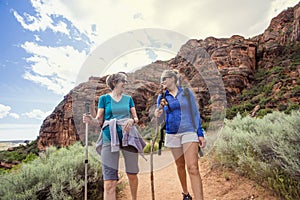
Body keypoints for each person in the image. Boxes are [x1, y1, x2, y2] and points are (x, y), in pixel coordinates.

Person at [83, 72, 145, 200]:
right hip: (108, 138)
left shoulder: (128, 99)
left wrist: (132, 120)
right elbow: (99, 120)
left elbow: (136, 118)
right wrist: (90, 120)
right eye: (123, 81)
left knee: (132, 174)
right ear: (114, 83)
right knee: (109, 182)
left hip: (129, 137)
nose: (125, 84)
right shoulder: (104, 99)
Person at [154, 69, 206, 200]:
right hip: (172, 134)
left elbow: (195, 113)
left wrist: (200, 133)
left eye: (164, 78)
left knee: (192, 167)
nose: (162, 81)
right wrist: (158, 115)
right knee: (180, 166)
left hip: (189, 131)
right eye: (161, 80)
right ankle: (186, 193)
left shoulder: (186, 93)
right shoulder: (162, 97)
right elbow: (161, 120)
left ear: (172, 79)